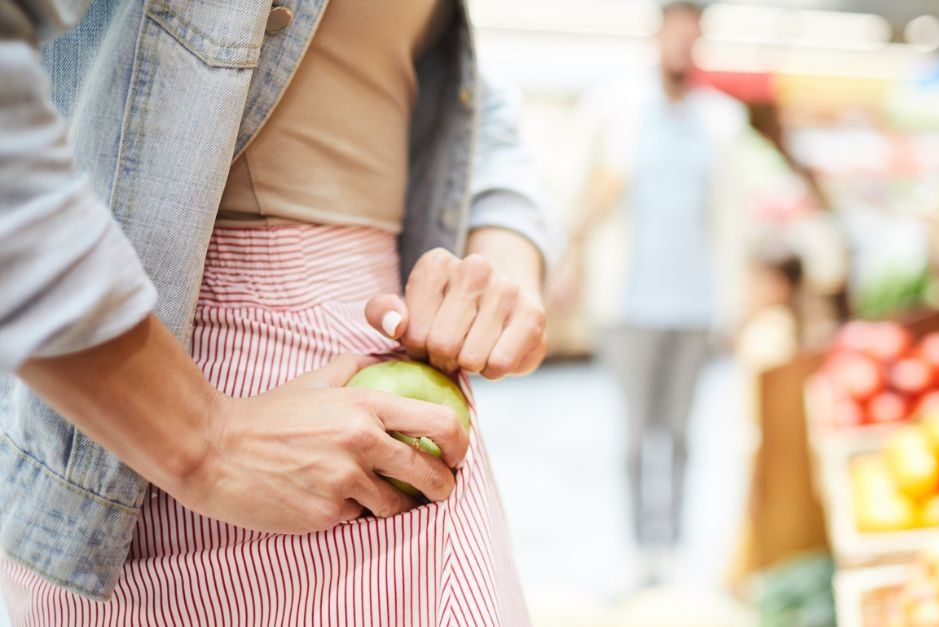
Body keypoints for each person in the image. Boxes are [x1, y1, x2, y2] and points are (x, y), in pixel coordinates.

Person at [0, 0, 556, 624]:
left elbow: (476, 103)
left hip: (387, 428)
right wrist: (200, 439)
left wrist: (504, 266)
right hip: (160, 411)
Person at [556, 0, 749, 585]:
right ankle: (644, 550)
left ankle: (675, 546)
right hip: (629, 304)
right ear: (657, 36)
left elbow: (732, 222)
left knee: (684, 433)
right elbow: (579, 192)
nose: (681, 46)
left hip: (694, 305)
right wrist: (570, 264)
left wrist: (734, 304)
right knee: (640, 434)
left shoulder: (722, 121)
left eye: (692, 35)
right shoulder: (613, 109)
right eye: (674, 33)